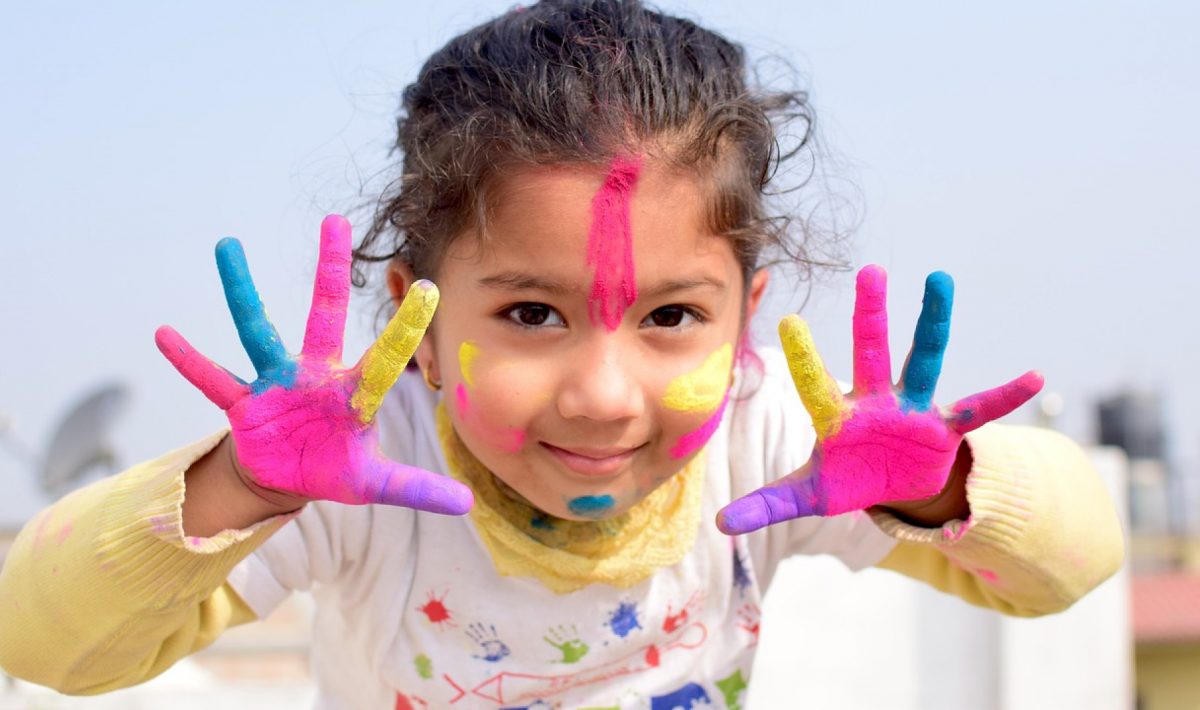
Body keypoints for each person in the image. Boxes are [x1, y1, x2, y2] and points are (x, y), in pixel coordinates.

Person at [0, 1, 1123, 707]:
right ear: (420, 323)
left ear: (747, 317)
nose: (602, 393)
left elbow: (1074, 562)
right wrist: (238, 486)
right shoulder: (353, 468)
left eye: (673, 317)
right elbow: (46, 645)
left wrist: (942, 488)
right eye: (532, 314)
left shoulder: (775, 436)